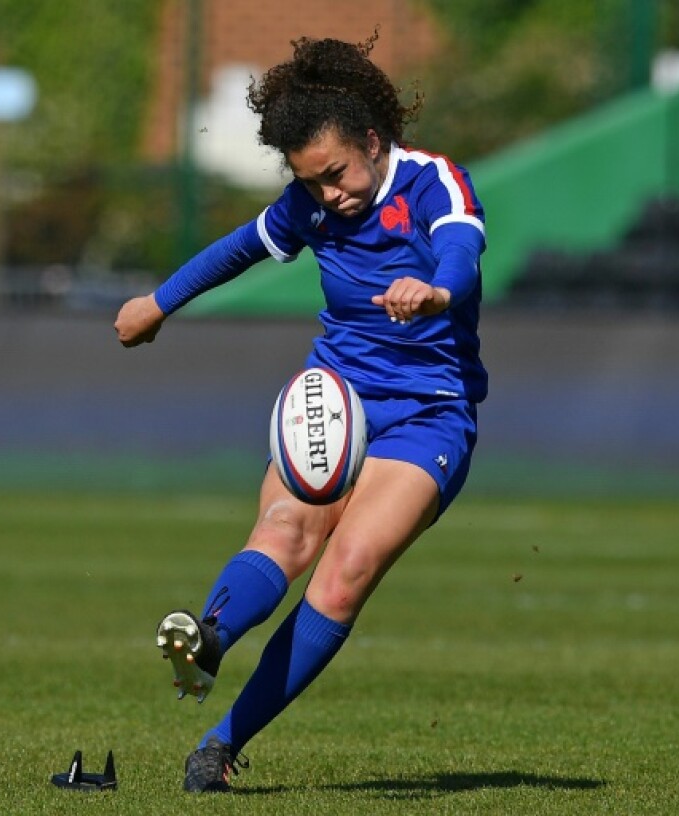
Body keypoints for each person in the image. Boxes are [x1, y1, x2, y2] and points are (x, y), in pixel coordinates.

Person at [114, 32, 488, 793]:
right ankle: (211, 637)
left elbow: (463, 255)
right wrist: (158, 303)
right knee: (285, 531)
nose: (329, 195)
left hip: (428, 412)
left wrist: (438, 292)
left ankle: (218, 747)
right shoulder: (309, 206)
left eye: (337, 175)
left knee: (344, 570)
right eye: (311, 183)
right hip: (338, 396)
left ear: (373, 142)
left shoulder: (432, 183)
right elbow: (236, 249)